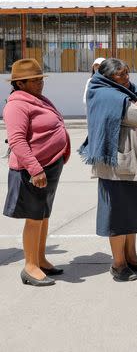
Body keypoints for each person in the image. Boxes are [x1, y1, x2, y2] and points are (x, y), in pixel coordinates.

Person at [80, 58, 137, 282]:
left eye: (128, 72)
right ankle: (118, 263)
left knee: (134, 212)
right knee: (118, 214)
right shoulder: (105, 94)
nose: (127, 78)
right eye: (121, 74)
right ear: (108, 76)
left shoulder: (129, 92)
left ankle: (132, 257)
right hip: (117, 164)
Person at [3, 59, 71, 286]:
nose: (41, 83)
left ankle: (40, 259)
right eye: (35, 80)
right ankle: (30, 267)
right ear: (20, 83)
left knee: (43, 216)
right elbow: (17, 140)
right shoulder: (16, 104)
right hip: (32, 171)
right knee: (33, 218)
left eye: (41, 79)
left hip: (48, 166)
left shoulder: (36, 98)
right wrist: (35, 169)